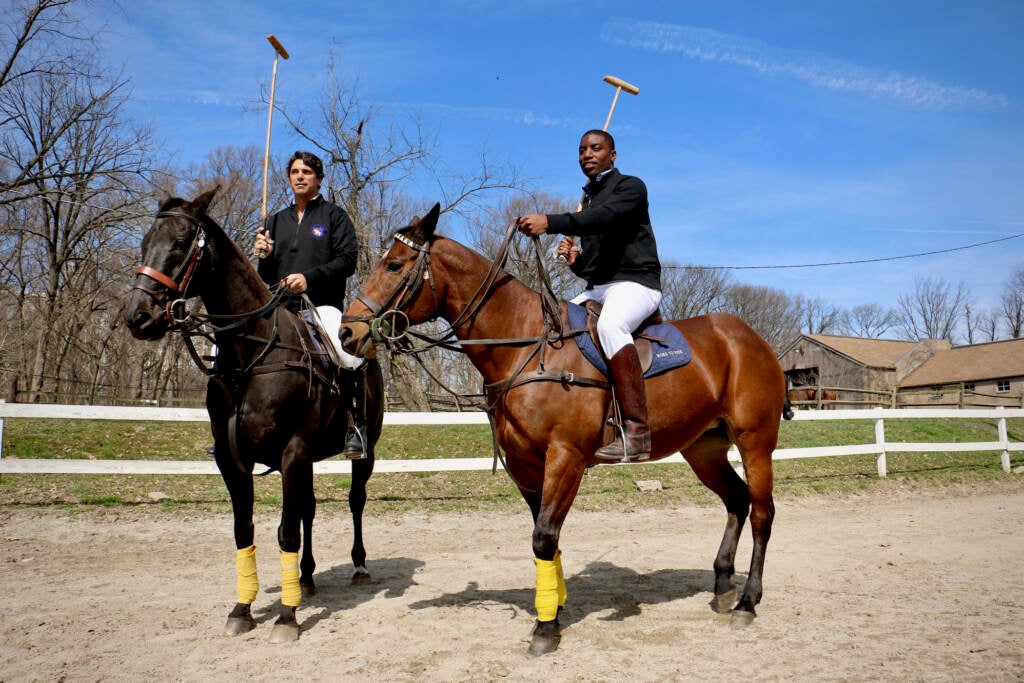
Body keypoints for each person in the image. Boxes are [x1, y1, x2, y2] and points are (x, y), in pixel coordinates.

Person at [517, 130, 662, 462]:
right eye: (582, 150)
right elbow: (592, 269)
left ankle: (637, 431)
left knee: (611, 327)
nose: (587, 154)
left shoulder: (631, 188)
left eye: (596, 148)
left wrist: (551, 222)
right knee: (552, 320)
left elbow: (605, 218)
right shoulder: (590, 199)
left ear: (613, 155)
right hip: (599, 287)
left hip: (638, 284)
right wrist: (577, 261)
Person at [254, 150, 369, 459]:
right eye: (294, 172)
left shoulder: (334, 216)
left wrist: (309, 278)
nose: (300, 176)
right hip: (279, 307)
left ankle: (355, 426)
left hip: (321, 307)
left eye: (306, 171)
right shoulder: (276, 221)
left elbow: (348, 261)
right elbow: (266, 274)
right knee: (234, 346)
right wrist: (263, 255)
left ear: (319, 178)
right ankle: (232, 425)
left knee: (348, 354)